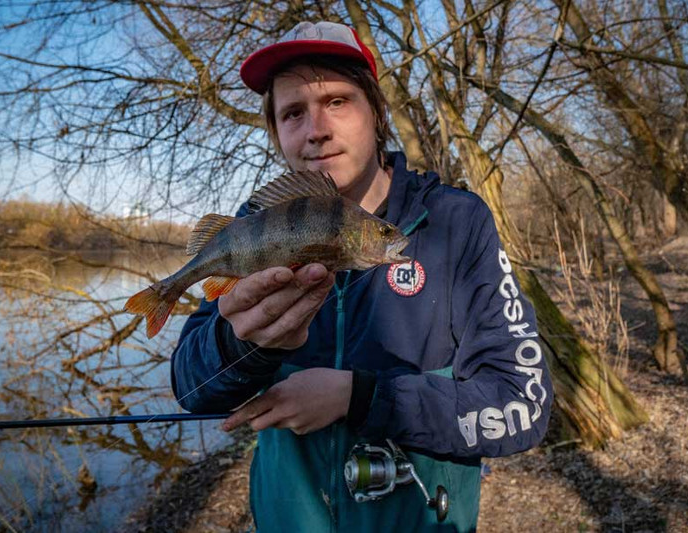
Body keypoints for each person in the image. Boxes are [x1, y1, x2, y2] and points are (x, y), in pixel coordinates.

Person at [171, 20, 553, 532]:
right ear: (277, 134)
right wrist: (241, 344)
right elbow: (190, 388)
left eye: (336, 101)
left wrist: (361, 397)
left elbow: (521, 404)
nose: (316, 129)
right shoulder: (253, 228)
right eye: (292, 113)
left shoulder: (455, 222)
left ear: (376, 110)